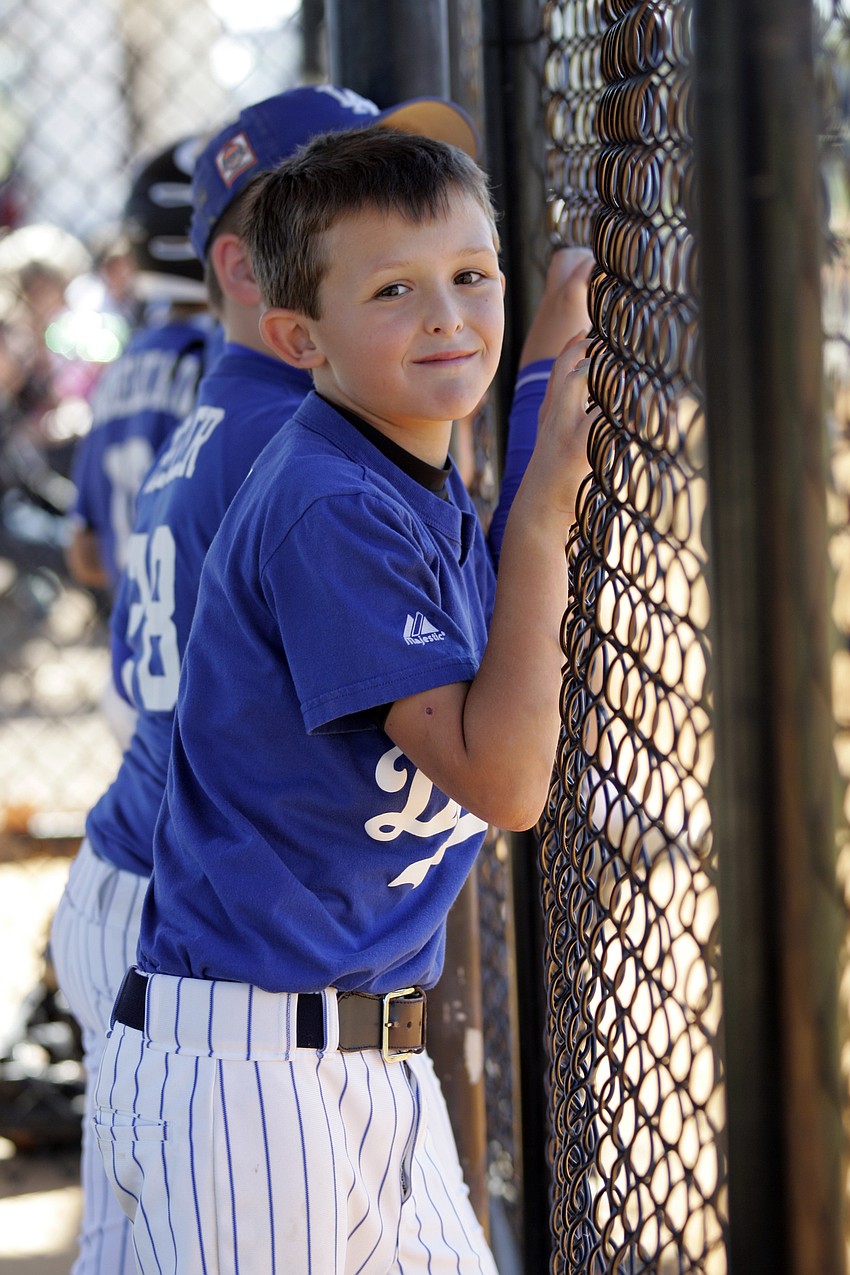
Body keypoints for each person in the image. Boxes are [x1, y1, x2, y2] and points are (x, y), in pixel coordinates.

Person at [93, 125, 592, 1274]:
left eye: (471, 278)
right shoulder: (331, 504)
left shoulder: (398, 462)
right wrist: (545, 516)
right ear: (295, 336)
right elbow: (509, 783)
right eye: (392, 291)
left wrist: (568, 294)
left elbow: (525, 376)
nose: (445, 318)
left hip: (343, 1057)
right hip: (257, 1072)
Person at [50, 85, 482, 1275]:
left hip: (167, 871)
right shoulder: (299, 448)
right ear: (256, 273)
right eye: (338, 204)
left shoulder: (239, 411)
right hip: (190, 903)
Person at [65, 136, 213, 600]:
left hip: (140, 650)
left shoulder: (121, 365)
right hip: (218, 651)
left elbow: (85, 554)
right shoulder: (231, 360)